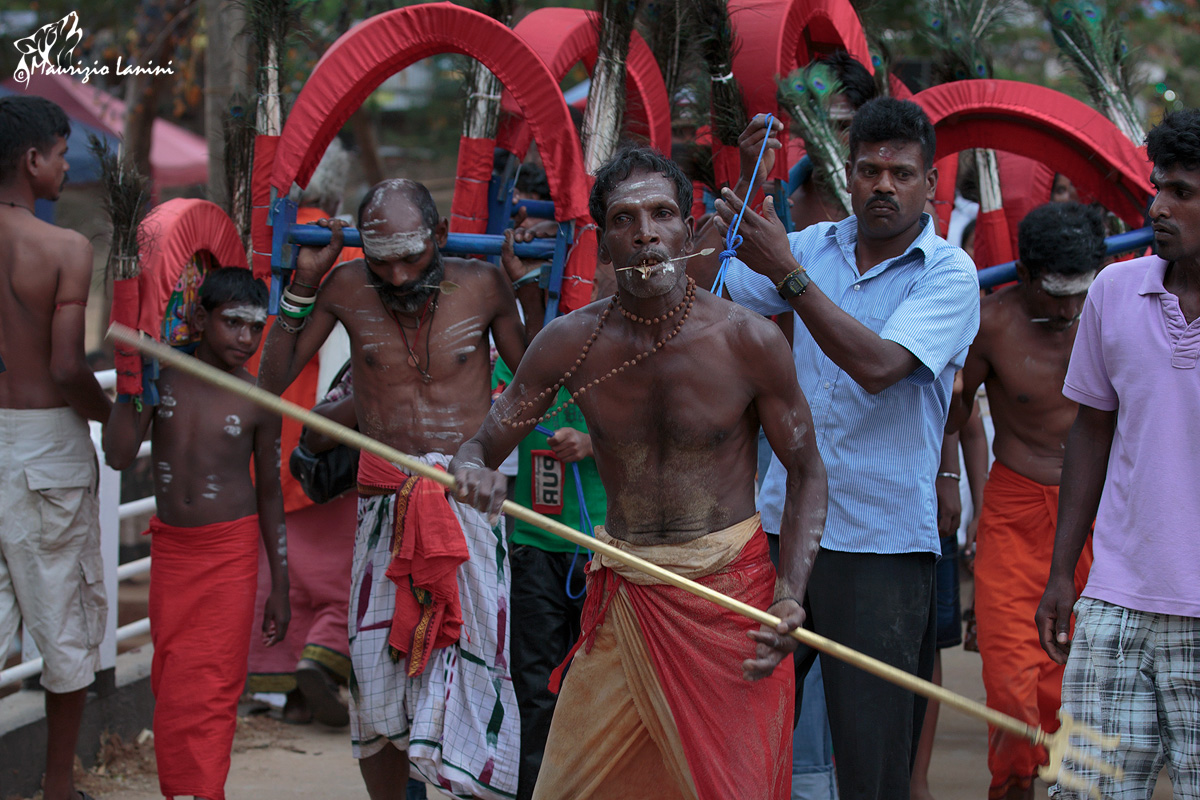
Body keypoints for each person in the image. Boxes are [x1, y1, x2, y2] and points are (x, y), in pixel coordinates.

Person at [451, 146, 828, 799]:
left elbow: (808, 472)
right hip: (625, 596)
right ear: (604, 240)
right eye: (626, 218)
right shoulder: (570, 342)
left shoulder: (748, 340)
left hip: (730, 600)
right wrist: (474, 472)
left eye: (662, 214)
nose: (646, 231)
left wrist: (790, 593)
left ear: (689, 227)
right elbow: (480, 446)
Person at [710, 98, 981, 800]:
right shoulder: (810, 244)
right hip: (779, 530)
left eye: (901, 173)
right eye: (868, 170)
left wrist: (788, 277)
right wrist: (745, 179)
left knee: (874, 764)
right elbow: (718, 291)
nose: (883, 185)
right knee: (743, 734)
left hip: (883, 547)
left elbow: (881, 367)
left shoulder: (948, 274)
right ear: (848, 174)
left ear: (929, 186)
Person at [257, 178, 526, 800]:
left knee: (477, 670)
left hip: (466, 507)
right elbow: (269, 382)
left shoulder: (484, 284)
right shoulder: (347, 287)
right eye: (382, 260)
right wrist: (301, 285)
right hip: (382, 508)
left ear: (438, 238)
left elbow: (533, 384)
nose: (400, 276)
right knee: (379, 678)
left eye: (412, 256)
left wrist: (489, 458)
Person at [1036, 109, 1200, 799]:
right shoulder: (1112, 289)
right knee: (1082, 790)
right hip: (1114, 608)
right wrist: (1062, 575)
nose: (1158, 206)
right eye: (1159, 187)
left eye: (1183, 193)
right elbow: (1091, 430)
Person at [103, 267, 290, 800]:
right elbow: (117, 455)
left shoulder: (258, 398)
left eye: (256, 328)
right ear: (200, 318)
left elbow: (271, 493)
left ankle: (207, 793)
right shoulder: (163, 373)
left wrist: (280, 584)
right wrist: (133, 375)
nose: (245, 339)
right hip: (173, 551)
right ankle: (179, 790)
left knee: (214, 687)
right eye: (233, 323)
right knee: (172, 678)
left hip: (229, 554)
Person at [948, 201, 1105, 799]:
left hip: (1100, 514)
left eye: (1078, 294)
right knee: (1012, 685)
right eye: (1054, 295)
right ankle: (1013, 784)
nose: (1067, 311)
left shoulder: (1113, 314)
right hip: (1015, 511)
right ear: (1023, 271)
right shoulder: (991, 323)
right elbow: (954, 420)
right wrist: (953, 391)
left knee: (1081, 682)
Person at [0, 95, 110, 800]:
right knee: (64, 623)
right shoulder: (65, 248)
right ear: (31, 159)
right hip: (45, 446)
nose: (68, 166)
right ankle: (56, 787)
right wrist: (114, 415)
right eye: (63, 153)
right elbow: (70, 367)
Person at [245, 141, 361, 727]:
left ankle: (282, 687)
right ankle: (326, 657)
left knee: (277, 564)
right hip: (323, 432)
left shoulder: (260, 244)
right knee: (339, 568)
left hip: (259, 428)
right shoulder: (341, 247)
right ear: (337, 192)